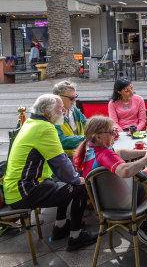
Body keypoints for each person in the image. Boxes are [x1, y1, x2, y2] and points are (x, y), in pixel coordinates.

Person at [3, 94, 97, 252]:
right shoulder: (46, 128)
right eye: (60, 109)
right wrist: (76, 179)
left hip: (16, 187)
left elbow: (60, 167)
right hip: (25, 190)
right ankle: (76, 236)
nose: (63, 111)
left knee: (66, 183)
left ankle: (60, 226)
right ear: (47, 113)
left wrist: (71, 178)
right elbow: (61, 163)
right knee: (80, 186)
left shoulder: (32, 122)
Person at [73, 116, 147, 204]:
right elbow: (126, 171)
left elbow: (120, 153)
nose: (114, 135)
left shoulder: (88, 147)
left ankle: (146, 205)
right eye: (112, 132)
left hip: (102, 200)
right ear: (98, 137)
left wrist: (144, 152)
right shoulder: (105, 154)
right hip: (121, 202)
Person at [53, 80, 87, 156]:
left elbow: (89, 125)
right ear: (58, 97)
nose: (75, 100)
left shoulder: (75, 110)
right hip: (65, 157)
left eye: (76, 96)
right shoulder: (52, 115)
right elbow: (61, 141)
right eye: (71, 98)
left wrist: (106, 130)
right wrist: (87, 139)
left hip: (80, 153)